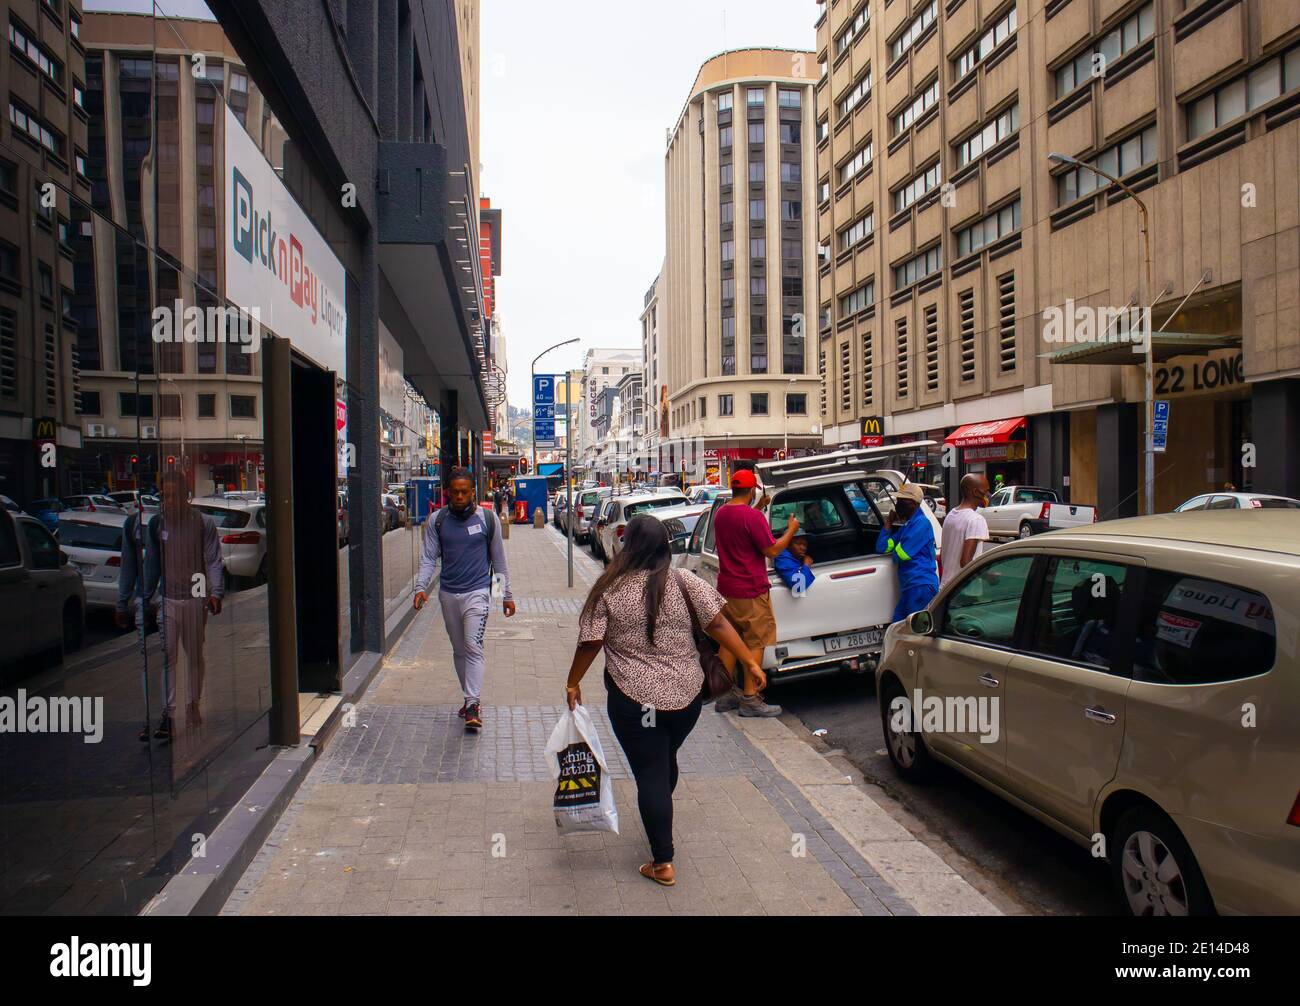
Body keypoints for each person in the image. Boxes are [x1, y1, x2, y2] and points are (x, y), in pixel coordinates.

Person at [566, 515, 766, 887]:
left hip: (634, 702)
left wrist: (572, 682)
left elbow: (590, 642)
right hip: (686, 700)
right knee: (663, 760)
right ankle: (659, 804)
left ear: (630, 548)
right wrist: (751, 661)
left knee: (651, 773)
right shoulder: (686, 582)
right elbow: (720, 625)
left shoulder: (609, 589)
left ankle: (663, 861)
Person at [115, 470, 224, 742]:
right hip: (168, 601)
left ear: (186, 497)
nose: (169, 501)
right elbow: (151, 565)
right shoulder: (156, 525)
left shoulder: (202, 524)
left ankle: (192, 705)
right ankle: (169, 713)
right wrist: (140, 599)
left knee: (194, 656)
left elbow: (212, 559)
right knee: (167, 658)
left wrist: (215, 593)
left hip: (195, 600)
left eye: (175, 495)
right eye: (165, 495)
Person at [413, 466, 515, 732]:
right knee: (459, 650)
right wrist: (420, 588)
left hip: (478, 593)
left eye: (464, 492)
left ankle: (473, 703)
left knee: (473, 645)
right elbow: (428, 558)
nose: (459, 497)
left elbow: (499, 562)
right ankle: (468, 698)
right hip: (448, 594)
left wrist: (505, 596)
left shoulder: (487, 519)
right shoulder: (437, 521)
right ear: (448, 493)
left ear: (473, 493)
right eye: (454, 492)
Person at [712, 469, 799, 716]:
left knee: (729, 641)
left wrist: (760, 505)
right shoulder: (752, 517)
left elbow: (744, 523)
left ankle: (724, 694)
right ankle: (750, 698)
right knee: (755, 641)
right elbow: (771, 551)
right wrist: (791, 529)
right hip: (751, 589)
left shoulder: (721, 514)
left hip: (728, 589)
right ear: (752, 490)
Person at [876, 483, 939, 624]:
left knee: (914, 633)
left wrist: (896, 546)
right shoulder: (908, 526)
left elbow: (901, 554)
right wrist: (888, 523)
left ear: (914, 504)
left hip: (920, 586)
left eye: (902, 501)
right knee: (898, 628)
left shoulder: (922, 523)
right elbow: (882, 547)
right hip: (910, 587)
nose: (898, 504)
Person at [940, 474, 991, 589]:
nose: (988, 495)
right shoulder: (976, 519)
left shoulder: (951, 515)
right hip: (964, 590)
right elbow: (966, 562)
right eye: (986, 491)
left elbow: (944, 553)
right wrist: (987, 576)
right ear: (976, 492)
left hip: (946, 587)